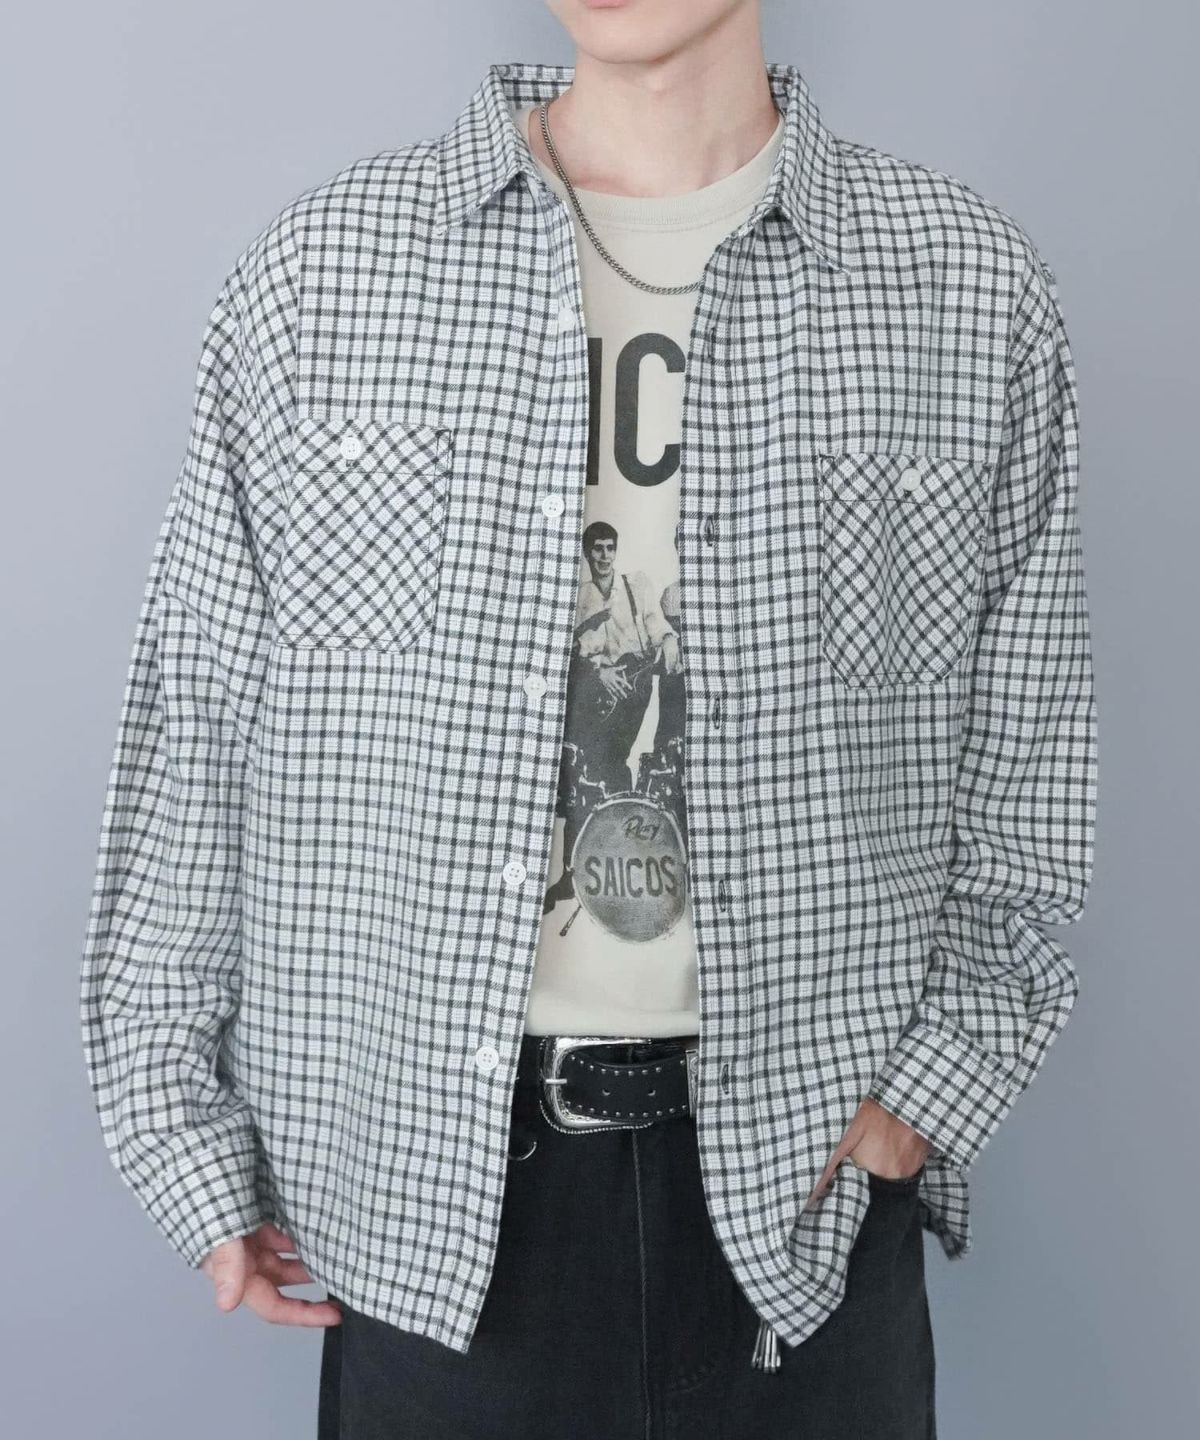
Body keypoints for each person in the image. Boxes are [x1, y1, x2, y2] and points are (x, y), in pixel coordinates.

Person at [78, 1, 1098, 1435]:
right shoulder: (324, 274)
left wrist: (926, 1100)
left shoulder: (965, 289)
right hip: (430, 1203)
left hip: (809, 1201)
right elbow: (199, 723)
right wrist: (179, 1131)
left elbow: (1031, 751)